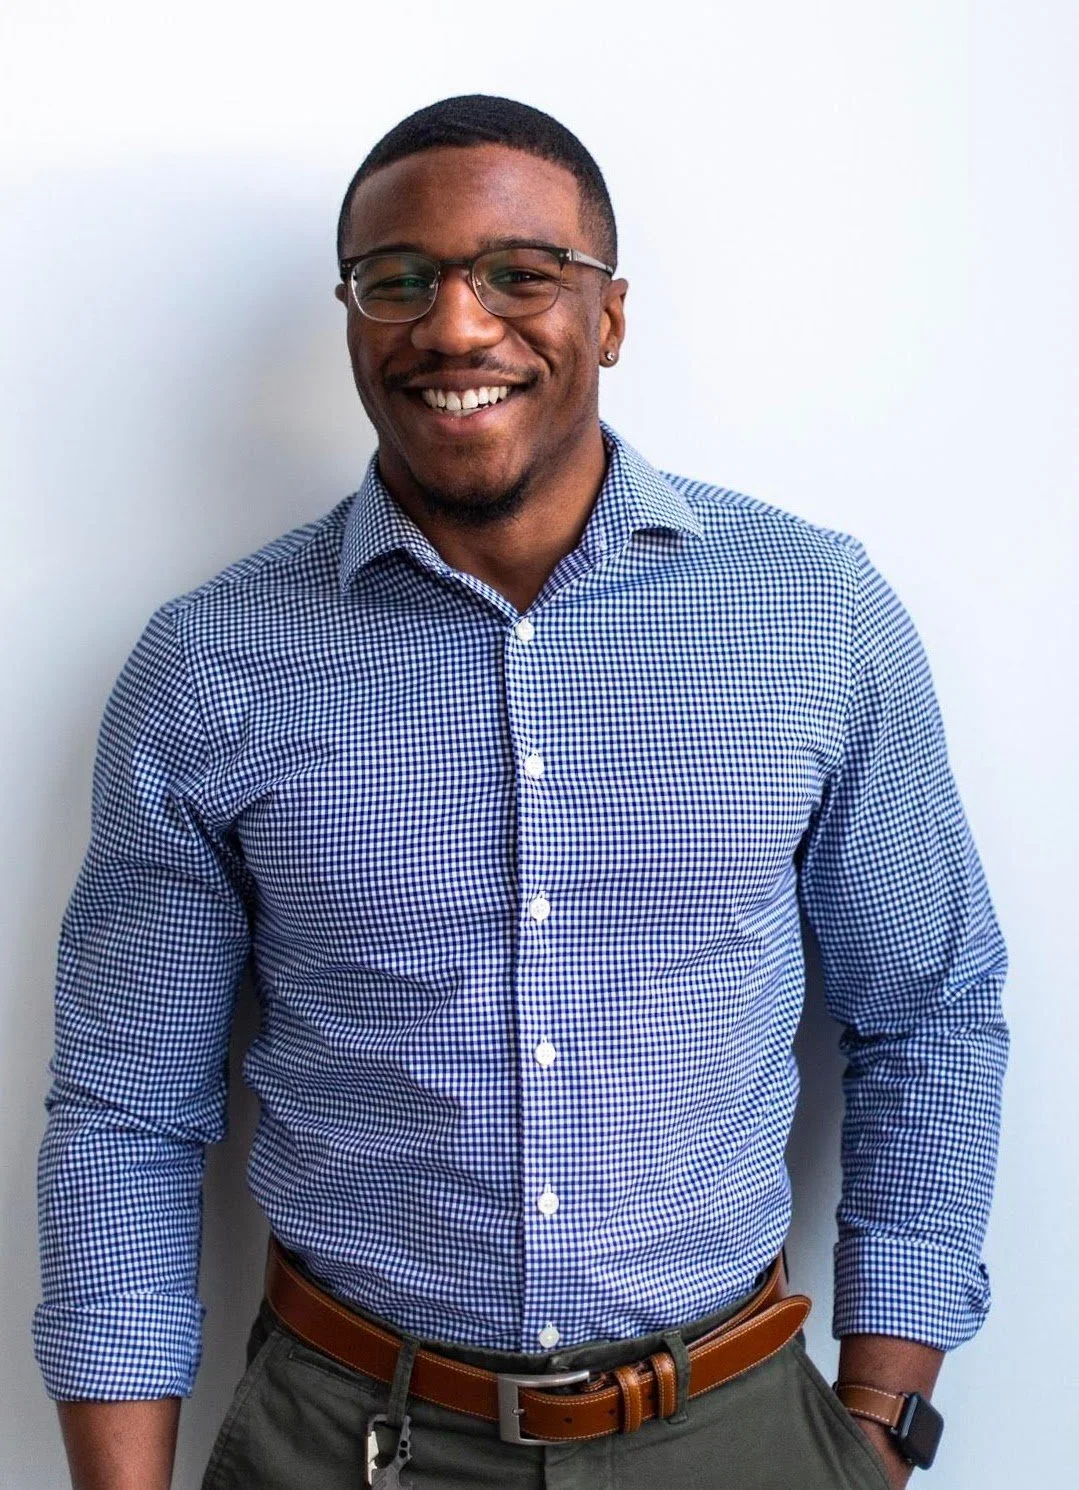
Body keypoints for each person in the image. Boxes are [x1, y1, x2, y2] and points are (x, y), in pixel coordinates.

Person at [35, 95, 1009, 1490]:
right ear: (353, 318)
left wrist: (874, 1430)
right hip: (345, 1436)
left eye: (519, 274)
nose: (455, 324)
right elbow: (127, 1108)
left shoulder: (816, 614)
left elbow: (930, 1012)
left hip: (732, 1429)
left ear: (607, 317)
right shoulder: (208, 663)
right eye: (398, 278)